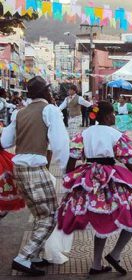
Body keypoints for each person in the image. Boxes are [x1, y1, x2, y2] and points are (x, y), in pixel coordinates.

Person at [57, 101, 132, 275]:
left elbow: (71, 162)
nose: (114, 116)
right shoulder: (115, 134)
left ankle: (97, 264)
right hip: (112, 178)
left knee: (101, 218)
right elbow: (129, 163)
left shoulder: (83, 134)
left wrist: (75, 181)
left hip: (90, 178)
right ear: (106, 116)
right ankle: (115, 253)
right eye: (113, 113)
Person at [1, 76, 69, 276]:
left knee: (40, 215)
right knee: (51, 216)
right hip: (34, 169)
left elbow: (5, 141)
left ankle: (35, 256)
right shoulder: (50, 110)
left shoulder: (19, 113)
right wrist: (66, 172)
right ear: (45, 92)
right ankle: (23, 257)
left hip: (18, 168)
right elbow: (59, 144)